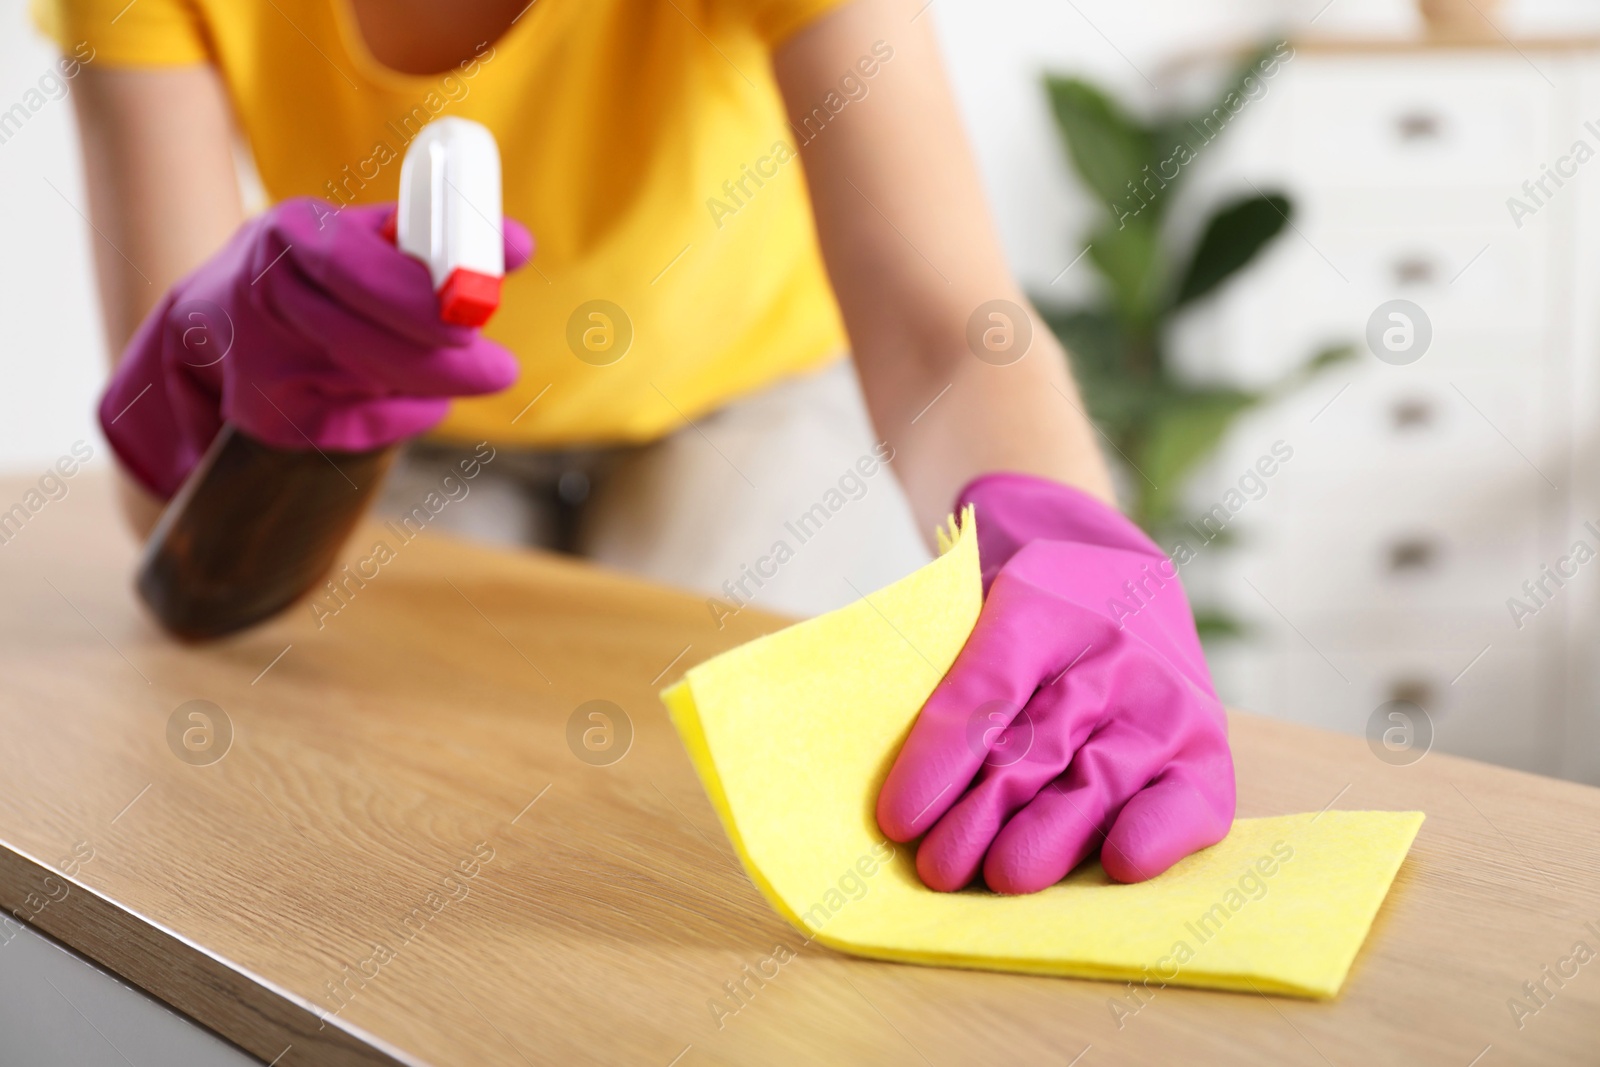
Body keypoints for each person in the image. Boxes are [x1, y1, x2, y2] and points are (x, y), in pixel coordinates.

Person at [38, 0, 1234, 894]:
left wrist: (1068, 532)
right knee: (386, 793)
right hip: (415, 422)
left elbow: (945, 332)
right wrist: (233, 392)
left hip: (748, 396)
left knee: (712, 802)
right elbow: (176, 534)